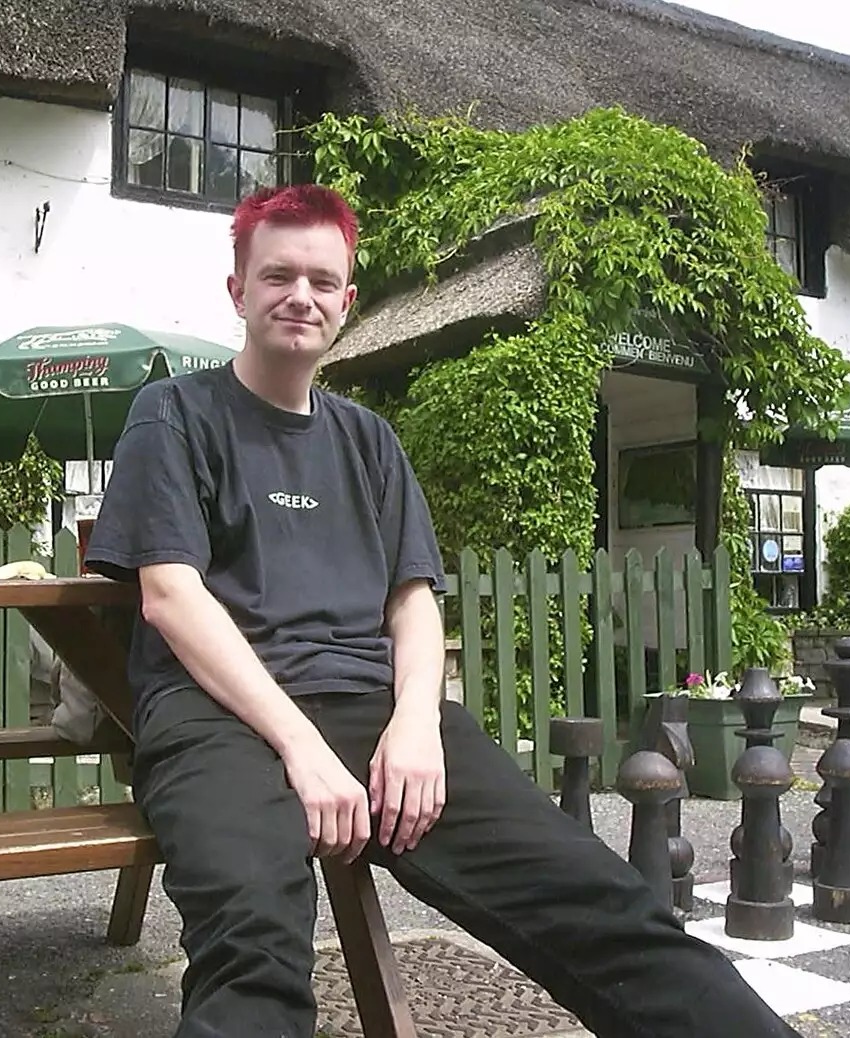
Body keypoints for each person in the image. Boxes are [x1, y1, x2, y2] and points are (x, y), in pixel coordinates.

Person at [83, 183, 799, 1038]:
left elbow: (413, 599)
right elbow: (169, 595)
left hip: (376, 713)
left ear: (347, 303)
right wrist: (302, 749)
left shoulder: (368, 440)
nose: (299, 296)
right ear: (238, 290)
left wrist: (418, 722)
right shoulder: (174, 414)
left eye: (321, 280)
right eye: (277, 276)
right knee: (255, 942)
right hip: (214, 718)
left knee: (601, 900)